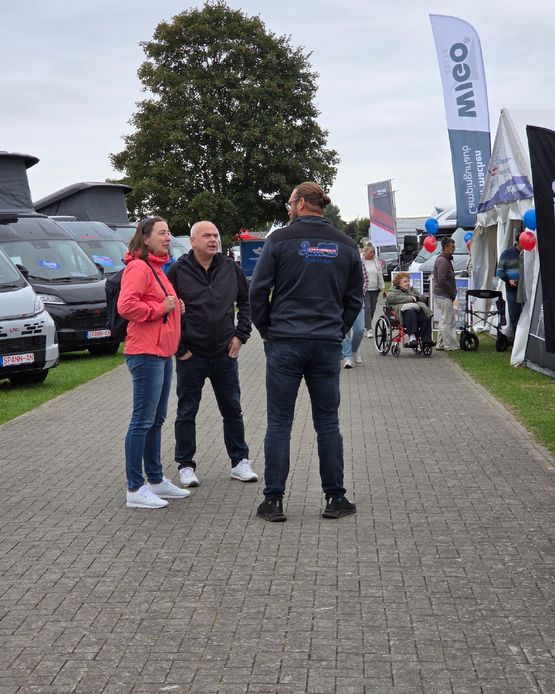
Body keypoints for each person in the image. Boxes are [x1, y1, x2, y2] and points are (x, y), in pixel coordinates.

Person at [249, 181, 363, 522]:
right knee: (327, 422)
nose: (288, 208)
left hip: (285, 341)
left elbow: (258, 290)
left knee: (279, 422)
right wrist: (338, 330)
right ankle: (335, 497)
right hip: (326, 343)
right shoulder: (347, 245)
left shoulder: (278, 241)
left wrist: (267, 330)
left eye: (289, 203)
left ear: (300, 204)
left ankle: (273, 501)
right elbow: (355, 298)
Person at [166, 221, 255, 487]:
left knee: (232, 409)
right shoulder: (178, 271)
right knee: (187, 411)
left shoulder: (230, 267)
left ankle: (240, 461)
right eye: (206, 236)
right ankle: (185, 465)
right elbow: (168, 311)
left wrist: (241, 336)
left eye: (215, 235)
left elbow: (246, 302)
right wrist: (179, 348)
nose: (213, 240)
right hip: (191, 356)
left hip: (225, 353)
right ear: (193, 241)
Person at [118, 217, 189, 509]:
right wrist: (161, 308)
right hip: (145, 353)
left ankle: (156, 480)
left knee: (156, 420)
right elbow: (126, 306)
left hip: (161, 353)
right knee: (142, 420)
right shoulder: (138, 267)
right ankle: (135, 488)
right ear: (145, 238)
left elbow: (160, 306)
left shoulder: (158, 269)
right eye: (162, 233)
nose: (168, 237)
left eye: (169, 232)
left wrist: (175, 309)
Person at [385, 272, 433, 347]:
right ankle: (412, 338)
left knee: (425, 315)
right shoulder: (393, 291)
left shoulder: (412, 290)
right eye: (405, 282)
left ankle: (426, 340)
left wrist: (416, 297)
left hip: (416, 310)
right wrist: (410, 298)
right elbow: (390, 299)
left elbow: (423, 298)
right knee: (410, 312)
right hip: (402, 314)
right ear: (398, 283)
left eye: (408, 281)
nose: (408, 283)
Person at [432, 236, 459, 351]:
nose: (454, 248)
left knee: (444, 319)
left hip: (443, 294)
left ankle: (441, 344)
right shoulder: (442, 261)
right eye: (452, 246)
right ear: (446, 247)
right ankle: (449, 345)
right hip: (443, 295)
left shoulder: (445, 259)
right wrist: (451, 291)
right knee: (448, 320)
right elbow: (442, 280)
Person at [342, 261, 368, 367]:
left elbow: (366, 280)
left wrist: (360, 294)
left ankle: (354, 349)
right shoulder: (338, 261)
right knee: (344, 330)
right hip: (342, 300)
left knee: (359, 329)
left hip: (357, 300)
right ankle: (347, 356)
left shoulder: (359, 263)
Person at [496, 232, 524, 334]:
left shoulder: (529, 253)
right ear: (518, 242)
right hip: (512, 290)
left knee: (526, 315)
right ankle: (516, 338)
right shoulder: (507, 254)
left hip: (526, 290)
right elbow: (499, 271)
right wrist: (508, 280)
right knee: (515, 315)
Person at [361, 243, 385, 338]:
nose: (373, 254)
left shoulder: (376, 261)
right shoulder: (361, 261)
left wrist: (382, 287)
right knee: (367, 309)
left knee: (373, 309)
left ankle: (365, 326)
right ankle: (369, 329)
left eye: (373, 252)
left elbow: (380, 274)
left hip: (375, 289)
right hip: (365, 289)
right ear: (365, 252)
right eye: (371, 252)